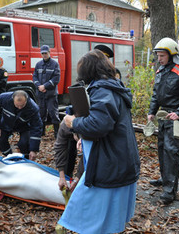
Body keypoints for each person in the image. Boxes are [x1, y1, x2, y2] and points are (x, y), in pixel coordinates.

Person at [57, 50, 140, 233]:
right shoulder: (113, 86)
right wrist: (84, 136)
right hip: (119, 159)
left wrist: (74, 123)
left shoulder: (102, 89)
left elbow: (99, 124)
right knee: (109, 218)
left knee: (96, 216)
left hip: (110, 163)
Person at [148, 37, 179, 204]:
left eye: (162, 55)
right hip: (164, 118)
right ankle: (165, 180)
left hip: (177, 119)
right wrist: (151, 112)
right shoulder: (161, 70)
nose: (159, 59)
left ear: (172, 54)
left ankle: (170, 191)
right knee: (162, 149)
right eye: (158, 55)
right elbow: (156, 94)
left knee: (171, 152)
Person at [0, 90, 43, 161]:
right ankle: (10, 157)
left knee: (23, 143)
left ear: (26, 100)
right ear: (13, 99)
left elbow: (36, 127)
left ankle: (26, 159)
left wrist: (33, 150)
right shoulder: (3, 98)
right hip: (7, 122)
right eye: (17, 105)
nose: (20, 107)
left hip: (24, 126)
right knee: (0, 141)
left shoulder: (33, 108)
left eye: (22, 105)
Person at [33, 45, 61, 138]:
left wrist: (45, 86)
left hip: (51, 94)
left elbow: (56, 79)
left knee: (53, 113)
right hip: (41, 94)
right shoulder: (38, 64)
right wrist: (39, 86)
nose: (44, 55)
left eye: (46, 53)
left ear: (49, 53)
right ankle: (42, 132)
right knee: (41, 113)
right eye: (43, 53)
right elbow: (34, 77)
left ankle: (57, 134)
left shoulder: (55, 64)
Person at [54, 120, 84, 192]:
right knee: (69, 156)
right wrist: (62, 176)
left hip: (90, 133)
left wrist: (78, 178)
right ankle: (67, 178)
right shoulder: (65, 125)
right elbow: (60, 148)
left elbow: (88, 157)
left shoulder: (92, 129)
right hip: (72, 132)